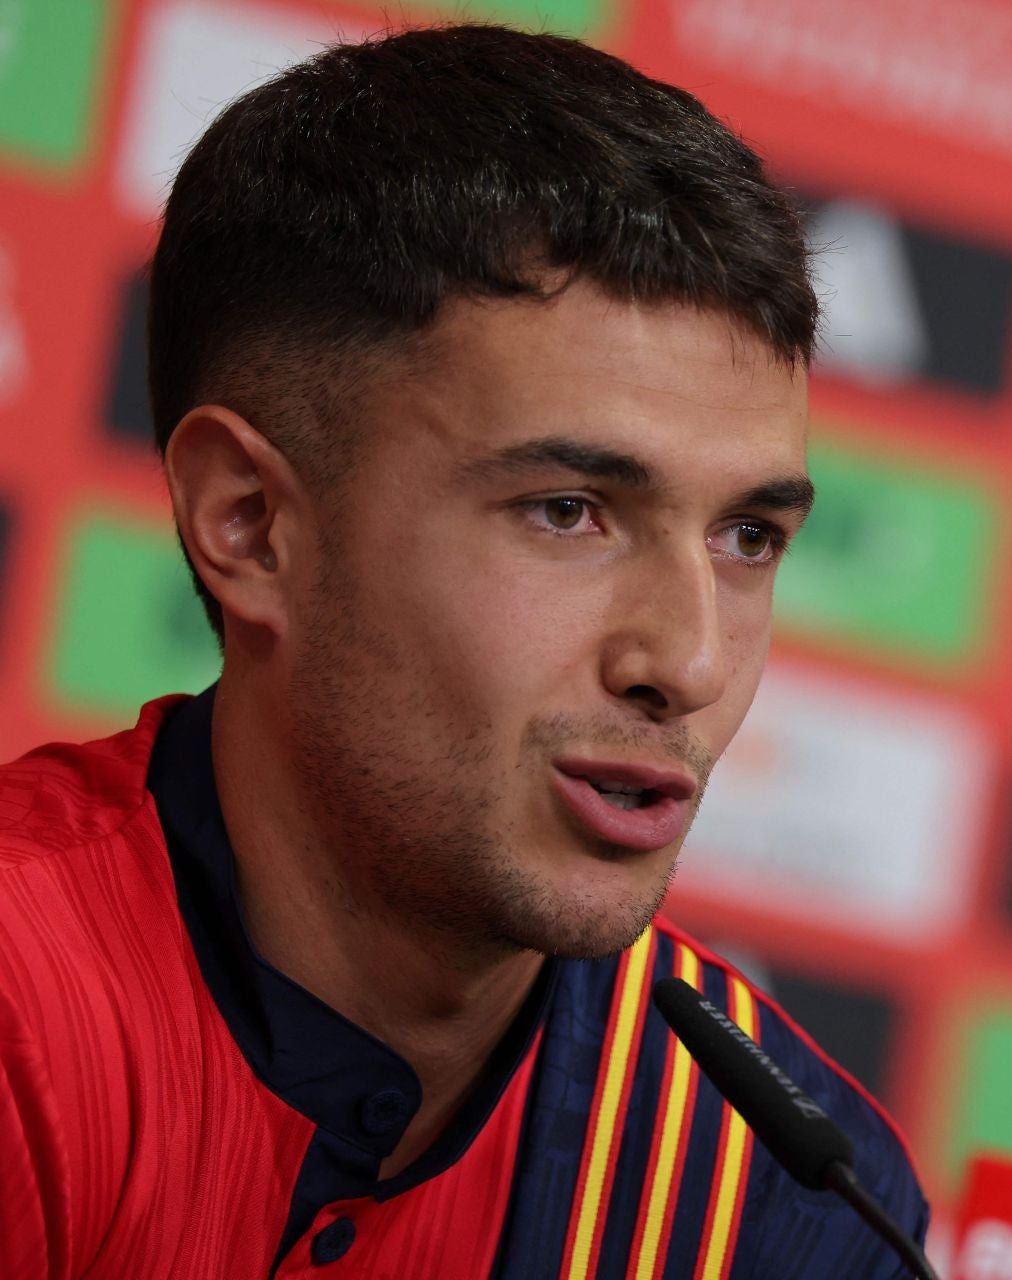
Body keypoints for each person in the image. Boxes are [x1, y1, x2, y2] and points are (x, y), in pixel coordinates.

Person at [0, 23, 927, 1279]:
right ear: (251, 524)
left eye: (748, 535)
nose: (690, 661)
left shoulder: (775, 1196)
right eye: (569, 512)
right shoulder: (27, 1009)